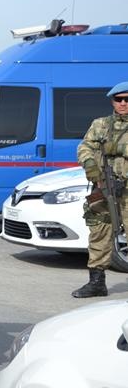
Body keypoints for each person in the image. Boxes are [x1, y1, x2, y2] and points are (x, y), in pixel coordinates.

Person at [73, 81, 128, 298]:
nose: (123, 103)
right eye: (119, 99)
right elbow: (85, 146)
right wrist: (89, 164)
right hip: (105, 188)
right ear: (112, 101)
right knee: (99, 233)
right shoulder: (101, 125)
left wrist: (118, 147)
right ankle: (96, 282)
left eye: (127, 99)